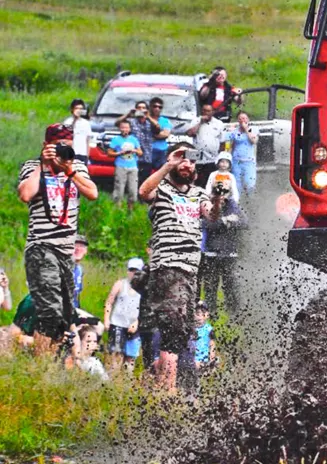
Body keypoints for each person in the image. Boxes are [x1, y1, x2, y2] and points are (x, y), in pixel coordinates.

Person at [138, 141, 223, 393]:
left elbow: (213, 217)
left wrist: (218, 198)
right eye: (182, 159)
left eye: (191, 160)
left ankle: (163, 386)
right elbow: (144, 192)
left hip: (190, 270)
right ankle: (168, 389)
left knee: (181, 329)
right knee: (173, 327)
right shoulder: (162, 188)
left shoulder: (198, 193)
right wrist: (168, 164)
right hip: (168, 265)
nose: (187, 164)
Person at [16, 124, 98, 356]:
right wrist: (43, 165)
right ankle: (41, 365)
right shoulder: (33, 166)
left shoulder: (77, 166)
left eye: (67, 146)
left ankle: (45, 363)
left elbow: (92, 193)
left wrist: (69, 170)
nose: (63, 151)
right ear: (46, 146)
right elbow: (25, 194)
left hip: (65, 251)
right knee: (49, 310)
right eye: (57, 146)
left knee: (64, 315)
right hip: (41, 246)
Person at [200, 179, 245, 316]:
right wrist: (226, 221)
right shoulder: (207, 205)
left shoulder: (232, 205)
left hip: (229, 253)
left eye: (225, 191)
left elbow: (244, 222)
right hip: (211, 253)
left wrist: (221, 222)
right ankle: (210, 314)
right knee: (210, 286)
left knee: (230, 285)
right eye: (219, 191)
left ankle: (233, 314)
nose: (222, 195)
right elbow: (208, 224)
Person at [103, 257, 144, 373]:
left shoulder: (144, 288)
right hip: (117, 324)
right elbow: (109, 302)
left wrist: (137, 323)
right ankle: (113, 382)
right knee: (116, 355)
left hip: (133, 326)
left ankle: (126, 384)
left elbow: (145, 309)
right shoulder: (120, 284)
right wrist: (106, 319)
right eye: (131, 270)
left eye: (136, 271)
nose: (133, 273)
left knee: (130, 358)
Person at [117, 100, 158, 190]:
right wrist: (128, 114)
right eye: (139, 108)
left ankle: (142, 197)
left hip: (146, 155)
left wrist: (148, 116)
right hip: (133, 155)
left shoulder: (149, 122)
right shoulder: (131, 122)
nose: (141, 110)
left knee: (145, 178)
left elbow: (158, 128)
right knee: (133, 178)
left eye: (143, 108)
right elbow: (118, 123)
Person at [185, 105, 227, 184]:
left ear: (213, 112)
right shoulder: (195, 121)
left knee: (211, 183)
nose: (205, 113)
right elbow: (190, 133)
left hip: (212, 159)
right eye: (204, 110)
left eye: (208, 111)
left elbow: (222, 142)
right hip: (198, 159)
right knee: (198, 182)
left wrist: (220, 157)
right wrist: (200, 122)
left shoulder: (219, 123)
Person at [107, 118, 143, 205]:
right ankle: (117, 208)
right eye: (123, 127)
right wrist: (120, 152)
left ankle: (130, 209)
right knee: (119, 189)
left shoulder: (134, 139)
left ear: (130, 129)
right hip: (120, 166)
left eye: (126, 128)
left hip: (133, 166)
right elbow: (109, 153)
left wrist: (134, 151)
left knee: (133, 190)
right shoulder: (116, 139)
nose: (124, 130)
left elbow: (140, 152)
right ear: (120, 128)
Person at [224, 112, 259, 197]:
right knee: (236, 185)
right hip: (236, 161)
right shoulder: (234, 131)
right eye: (240, 118)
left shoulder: (253, 129)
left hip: (249, 162)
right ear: (238, 121)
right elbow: (228, 145)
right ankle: (236, 203)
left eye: (244, 118)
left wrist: (246, 129)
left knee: (250, 184)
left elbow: (253, 141)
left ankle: (251, 201)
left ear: (248, 119)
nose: (242, 120)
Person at [63, 99, 94, 164]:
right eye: (77, 108)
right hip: (71, 153)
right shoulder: (67, 122)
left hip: (83, 154)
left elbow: (88, 140)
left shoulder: (86, 123)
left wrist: (87, 155)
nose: (79, 110)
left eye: (81, 109)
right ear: (72, 109)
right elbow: (65, 138)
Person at [147, 97, 173, 171]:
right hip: (146, 152)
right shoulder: (144, 119)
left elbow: (165, 134)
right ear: (150, 107)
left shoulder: (165, 121)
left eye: (160, 107)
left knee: (161, 175)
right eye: (155, 106)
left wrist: (150, 135)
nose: (157, 108)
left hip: (161, 152)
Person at [71, 234, 88, 311]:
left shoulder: (80, 269)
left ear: (86, 251)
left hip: (74, 309)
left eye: (81, 246)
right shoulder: (62, 266)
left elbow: (76, 295)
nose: (77, 249)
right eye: (75, 245)